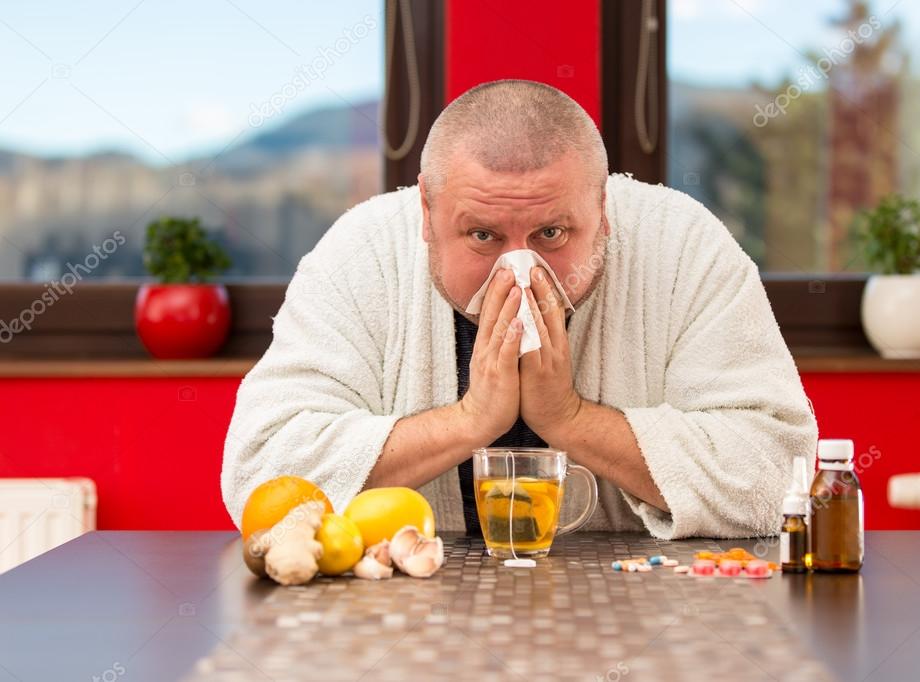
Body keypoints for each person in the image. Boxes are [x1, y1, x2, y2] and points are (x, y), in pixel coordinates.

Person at [221, 79, 817, 539]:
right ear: (426, 215)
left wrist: (571, 419)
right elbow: (261, 474)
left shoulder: (684, 245)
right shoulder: (361, 251)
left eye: (552, 233)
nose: (520, 271)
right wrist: (469, 421)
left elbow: (778, 473)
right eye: (482, 236)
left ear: (603, 211)